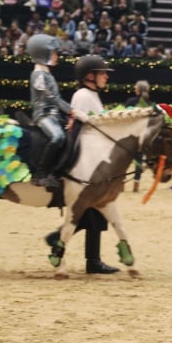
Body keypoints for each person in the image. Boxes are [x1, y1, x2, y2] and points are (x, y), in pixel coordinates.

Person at [44, 55, 120, 274]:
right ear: (90, 76)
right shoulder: (83, 96)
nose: (106, 76)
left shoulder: (92, 95)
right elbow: (85, 127)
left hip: (93, 159)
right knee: (92, 212)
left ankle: (91, 259)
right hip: (85, 162)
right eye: (103, 72)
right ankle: (87, 257)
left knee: (93, 213)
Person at [27, 33, 87, 189]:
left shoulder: (46, 73)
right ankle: (40, 175)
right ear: (42, 54)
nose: (56, 56)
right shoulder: (38, 75)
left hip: (55, 114)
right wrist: (73, 112)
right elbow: (53, 98)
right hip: (43, 114)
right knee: (58, 137)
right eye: (53, 53)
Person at [126, 80, 150, 192]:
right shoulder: (149, 104)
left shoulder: (130, 102)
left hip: (130, 134)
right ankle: (136, 183)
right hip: (142, 135)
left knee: (124, 159)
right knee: (139, 160)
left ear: (138, 90)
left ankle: (121, 182)